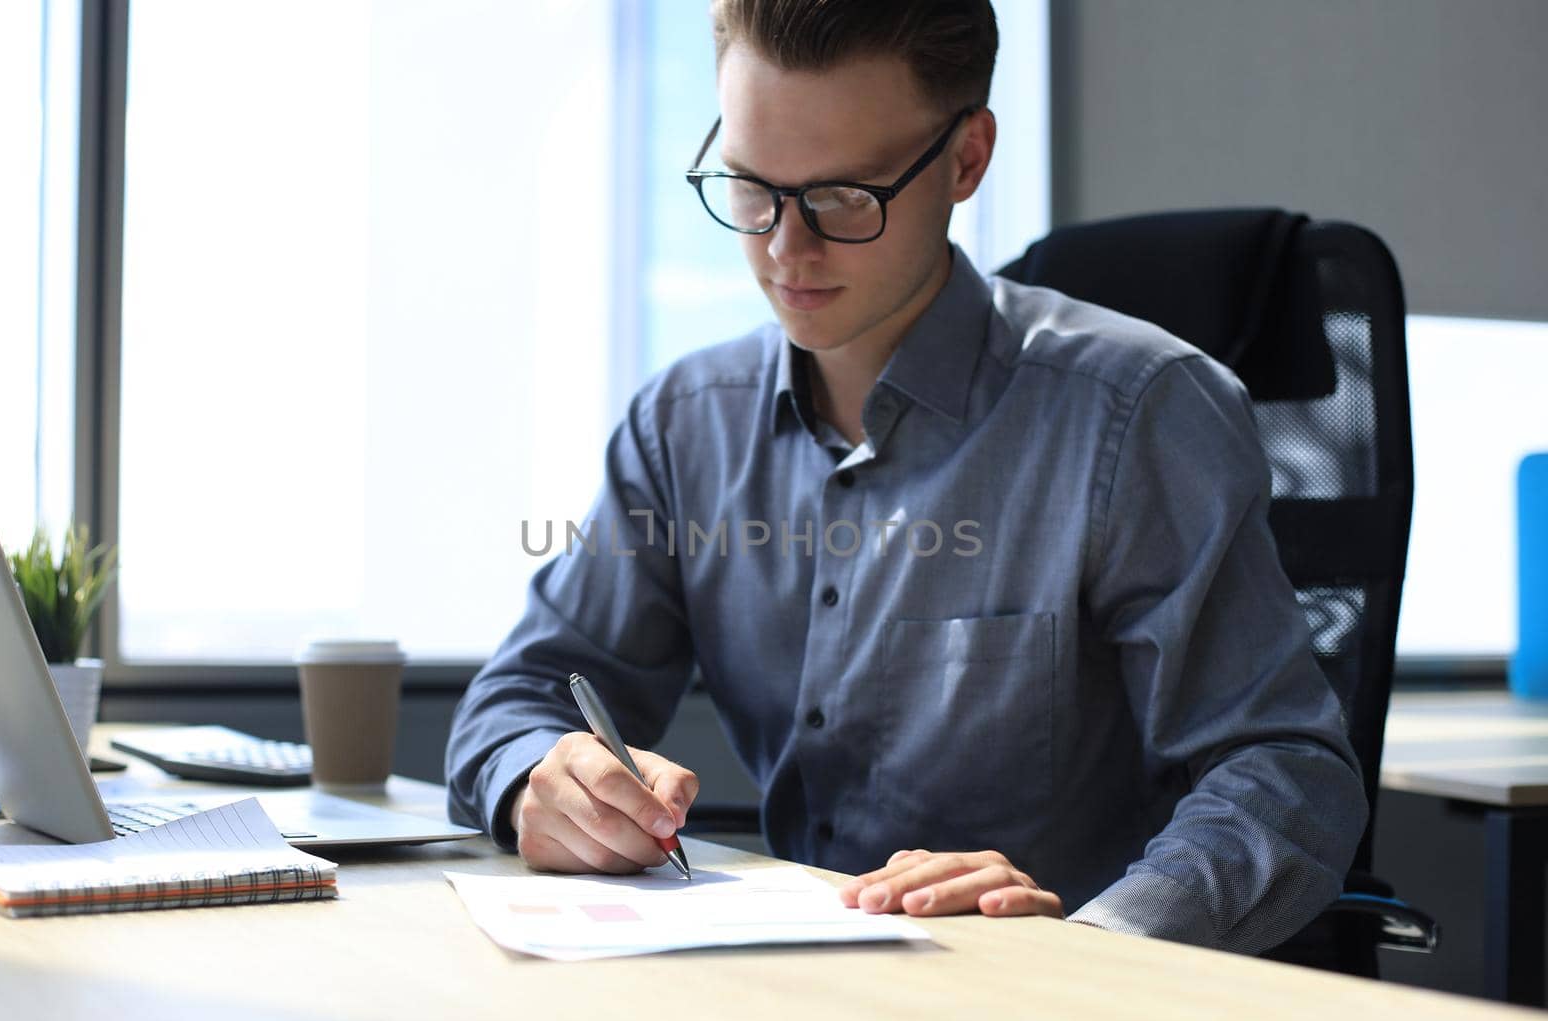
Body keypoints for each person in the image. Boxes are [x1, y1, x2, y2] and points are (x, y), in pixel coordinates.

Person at [446, 0, 1367, 953]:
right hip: (792, 997)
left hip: (1070, 1016)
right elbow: (519, 700)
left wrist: (1098, 943)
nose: (784, 249)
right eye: (751, 186)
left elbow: (1286, 773)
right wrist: (539, 784)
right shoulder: (685, 424)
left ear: (967, 159)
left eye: (845, 196)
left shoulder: (1139, 414)